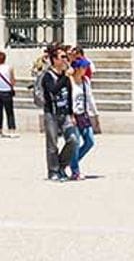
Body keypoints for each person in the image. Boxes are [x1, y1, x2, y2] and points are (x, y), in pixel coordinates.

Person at [41, 47, 76, 181]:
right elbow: (53, 91)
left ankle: (61, 165)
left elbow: (69, 95)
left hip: (65, 113)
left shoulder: (65, 76)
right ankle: (53, 171)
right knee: (52, 144)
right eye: (62, 57)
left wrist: (71, 114)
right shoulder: (48, 76)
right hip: (52, 114)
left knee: (73, 140)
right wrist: (65, 76)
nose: (65, 59)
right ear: (54, 60)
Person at [69, 58, 99, 179]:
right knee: (75, 143)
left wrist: (95, 114)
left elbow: (90, 98)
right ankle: (75, 170)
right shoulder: (69, 81)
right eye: (83, 67)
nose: (85, 70)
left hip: (84, 114)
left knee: (90, 141)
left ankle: (72, 162)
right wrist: (70, 115)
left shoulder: (85, 80)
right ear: (77, 68)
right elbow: (68, 99)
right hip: (73, 114)